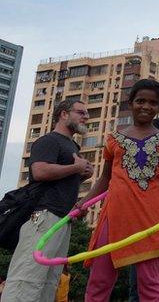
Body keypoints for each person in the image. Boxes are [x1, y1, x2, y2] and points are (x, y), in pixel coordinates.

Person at [80, 79, 159, 301]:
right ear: (130, 103)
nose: (146, 106)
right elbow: (105, 177)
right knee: (99, 280)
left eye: (153, 103)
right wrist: (84, 203)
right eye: (140, 101)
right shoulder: (114, 139)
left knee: (151, 284)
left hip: (149, 218)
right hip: (114, 215)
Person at [1, 99, 92, 302]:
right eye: (81, 112)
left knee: (49, 283)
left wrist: (81, 176)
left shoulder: (72, 145)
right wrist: (76, 169)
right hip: (43, 216)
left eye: (86, 113)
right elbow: (39, 171)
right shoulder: (50, 140)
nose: (86, 116)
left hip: (61, 220)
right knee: (27, 278)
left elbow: (59, 182)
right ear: (64, 114)